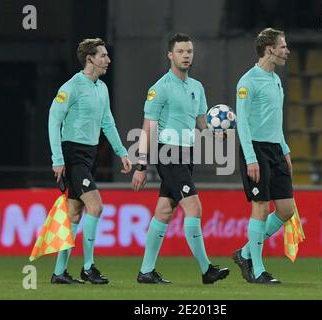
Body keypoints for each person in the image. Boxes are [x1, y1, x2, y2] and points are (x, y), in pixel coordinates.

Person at [131, 33, 229, 284]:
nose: (186, 56)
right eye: (181, 51)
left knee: (164, 211)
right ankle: (207, 270)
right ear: (170, 55)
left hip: (187, 154)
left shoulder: (197, 87)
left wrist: (214, 133)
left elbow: (200, 121)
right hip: (169, 153)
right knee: (194, 207)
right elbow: (148, 128)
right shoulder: (160, 88)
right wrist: (141, 165)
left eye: (190, 52)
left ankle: (146, 271)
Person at [48, 38, 132, 284]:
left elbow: (108, 122)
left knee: (74, 214)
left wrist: (122, 152)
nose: (108, 60)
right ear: (90, 59)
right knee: (96, 206)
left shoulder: (101, 88)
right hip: (73, 154)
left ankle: (59, 273)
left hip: (90, 154)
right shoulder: (71, 87)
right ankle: (88, 267)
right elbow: (54, 120)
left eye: (107, 55)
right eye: (103, 55)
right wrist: (57, 158)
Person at [233, 28, 294, 284]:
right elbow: (243, 123)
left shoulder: (275, 79)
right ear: (269, 49)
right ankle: (257, 270)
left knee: (286, 210)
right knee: (260, 207)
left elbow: (275, 122)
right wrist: (250, 158)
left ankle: (245, 253)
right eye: (283, 47)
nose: (287, 51)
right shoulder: (248, 82)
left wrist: (285, 149)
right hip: (255, 149)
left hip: (275, 149)